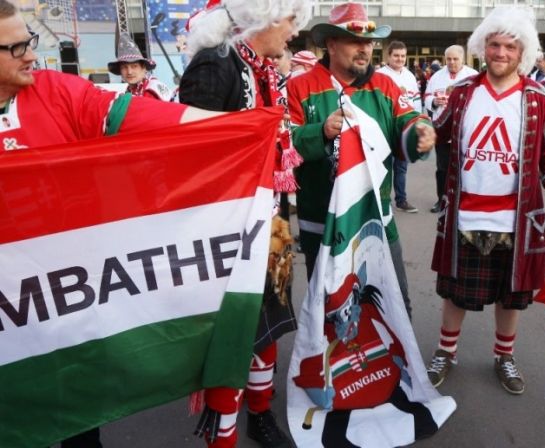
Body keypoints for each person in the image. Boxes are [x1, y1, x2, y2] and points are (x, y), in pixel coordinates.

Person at [0, 3, 223, 446]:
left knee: (79, 421)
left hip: (61, 302)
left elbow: (148, 120)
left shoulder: (55, 92)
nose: (32, 55)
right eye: (17, 47)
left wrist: (237, 126)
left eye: (31, 41)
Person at [179, 1, 312, 447]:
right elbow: (192, 161)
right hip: (230, 232)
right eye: (291, 20)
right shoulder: (215, 66)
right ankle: (223, 435)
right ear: (262, 16)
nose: (294, 32)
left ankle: (259, 413)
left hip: (269, 221)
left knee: (267, 325)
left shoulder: (264, 70)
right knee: (233, 338)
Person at [427, 5, 545, 396]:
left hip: (515, 219)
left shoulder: (539, 98)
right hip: (465, 215)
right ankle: (446, 351)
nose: (501, 53)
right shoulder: (463, 93)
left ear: (522, 51)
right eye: (494, 45)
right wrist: (416, 130)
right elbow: (435, 131)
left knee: (511, 296)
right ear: (483, 47)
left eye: (510, 46)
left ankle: (504, 355)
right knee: (454, 292)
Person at [286, 2, 435, 319]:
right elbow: (287, 144)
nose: (365, 48)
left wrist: (420, 132)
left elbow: (407, 121)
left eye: (369, 42)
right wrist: (321, 131)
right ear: (331, 44)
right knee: (329, 309)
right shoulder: (299, 86)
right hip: (322, 224)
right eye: (355, 41)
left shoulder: (384, 85)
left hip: (376, 220)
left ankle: (394, 353)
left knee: (394, 304)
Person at [424, 44, 478, 213]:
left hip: (466, 131)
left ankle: (462, 200)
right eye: (449, 59)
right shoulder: (436, 77)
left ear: (463, 59)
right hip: (442, 130)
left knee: (466, 168)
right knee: (442, 168)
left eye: (455, 59)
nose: (452, 62)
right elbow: (427, 96)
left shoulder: (473, 76)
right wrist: (434, 102)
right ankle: (442, 199)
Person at [378, 40, 422, 213]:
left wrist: (416, 123)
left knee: (401, 167)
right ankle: (382, 202)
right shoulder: (379, 75)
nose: (400, 59)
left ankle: (401, 200)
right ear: (388, 56)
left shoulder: (409, 76)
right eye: (396, 55)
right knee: (383, 167)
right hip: (385, 128)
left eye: (403, 56)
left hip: (403, 128)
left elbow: (415, 101)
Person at [107, 32, 172, 101]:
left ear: (144, 68)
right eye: (124, 67)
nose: (129, 72)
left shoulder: (151, 91)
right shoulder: (130, 90)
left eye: (134, 66)